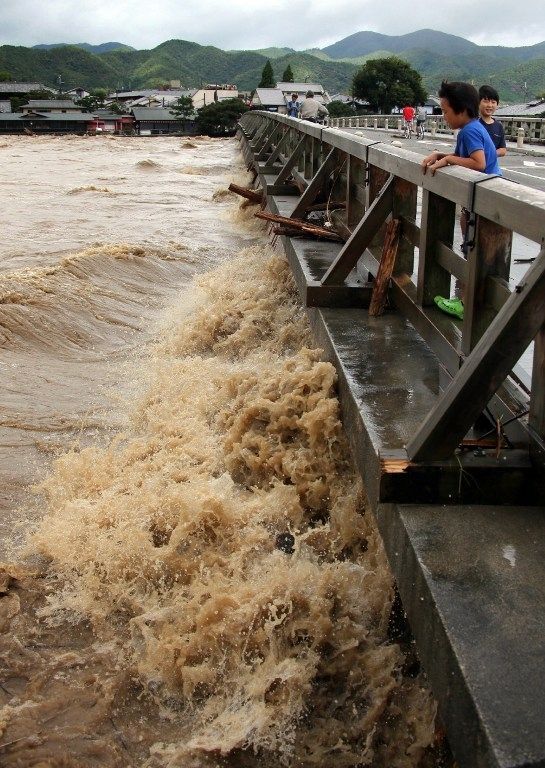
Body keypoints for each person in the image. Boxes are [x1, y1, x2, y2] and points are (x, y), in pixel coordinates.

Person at [421, 81, 501, 320]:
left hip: (486, 200)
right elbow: (465, 156)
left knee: (473, 250)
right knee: (470, 248)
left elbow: (479, 163)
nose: (443, 116)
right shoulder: (472, 127)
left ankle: (467, 305)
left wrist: (448, 161)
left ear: (463, 109)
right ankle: (466, 301)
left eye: (445, 111)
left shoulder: (470, 130)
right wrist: (442, 155)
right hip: (482, 199)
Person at [479, 84, 507, 158]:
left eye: (493, 102)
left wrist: (491, 154)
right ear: (478, 103)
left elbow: (503, 149)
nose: (490, 105)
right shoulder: (474, 124)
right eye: (486, 101)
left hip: (492, 167)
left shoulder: (498, 126)